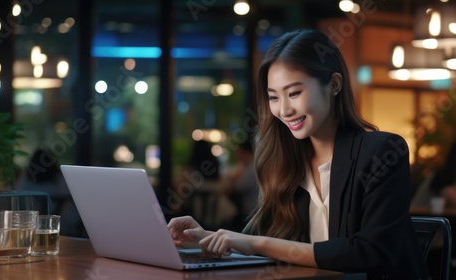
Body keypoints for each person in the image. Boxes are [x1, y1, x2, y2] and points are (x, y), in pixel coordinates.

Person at [167, 29, 429, 279]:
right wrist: (207, 237)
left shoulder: (382, 151)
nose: (284, 110)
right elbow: (270, 245)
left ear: (334, 84)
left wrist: (257, 243)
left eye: (294, 93)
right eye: (274, 97)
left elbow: (371, 254)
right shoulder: (282, 162)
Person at [218, 138, 259, 231]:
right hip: (248, 209)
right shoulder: (245, 166)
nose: (237, 156)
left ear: (246, 153)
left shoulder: (252, 169)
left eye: (239, 153)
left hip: (251, 211)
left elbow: (236, 187)